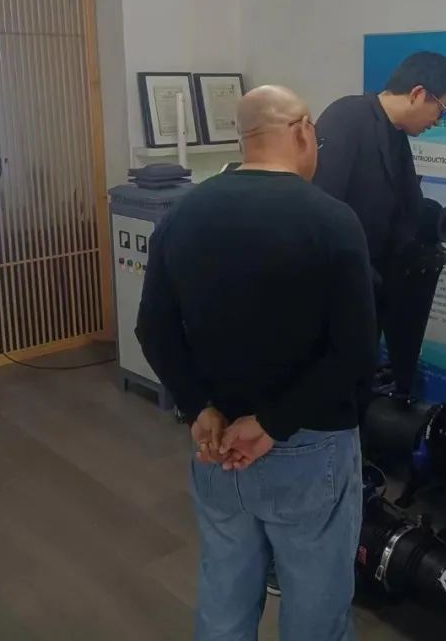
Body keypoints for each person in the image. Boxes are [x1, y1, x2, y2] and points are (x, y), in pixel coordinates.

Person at [135, 85, 376, 641]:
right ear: (302, 130)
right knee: (315, 607)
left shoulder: (183, 213)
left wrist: (200, 407)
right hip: (309, 447)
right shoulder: (333, 221)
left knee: (224, 595)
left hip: (216, 445)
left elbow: (154, 329)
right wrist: (271, 424)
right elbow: (356, 352)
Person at [313, 51, 446, 286]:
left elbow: (401, 202)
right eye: (442, 110)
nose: (438, 121)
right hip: (345, 278)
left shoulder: (397, 132)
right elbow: (322, 207)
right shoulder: (346, 117)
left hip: (378, 278)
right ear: (418, 94)